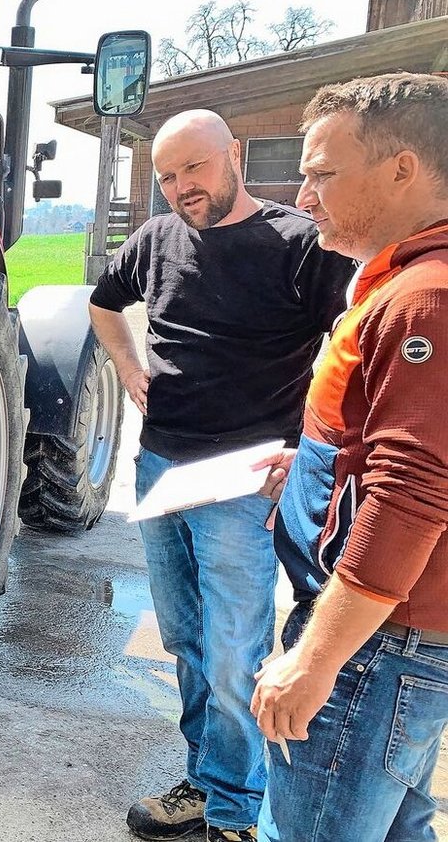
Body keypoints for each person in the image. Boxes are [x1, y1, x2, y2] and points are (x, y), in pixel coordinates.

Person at [89, 110, 355, 842]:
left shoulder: (298, 245)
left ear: (233, 155)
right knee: (185, 638)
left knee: (235, 649)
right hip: (159, 467)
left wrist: (309, 447)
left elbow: (356, 345)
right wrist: (127, 365)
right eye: (167, 177)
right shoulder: (155, 239)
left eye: (194, 169)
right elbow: (104, 303)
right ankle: (207, 782)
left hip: (243, 479)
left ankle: (235, 811)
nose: (181, 189)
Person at [252, 72, 448, 842]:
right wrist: (308, 469)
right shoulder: (404, 281)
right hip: (386, 642)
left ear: (403, 167)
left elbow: (411, 493)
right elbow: (385, 447)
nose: (304, 198)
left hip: (375, 645)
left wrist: (315, 658)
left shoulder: (424, 299)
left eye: (323, 174)